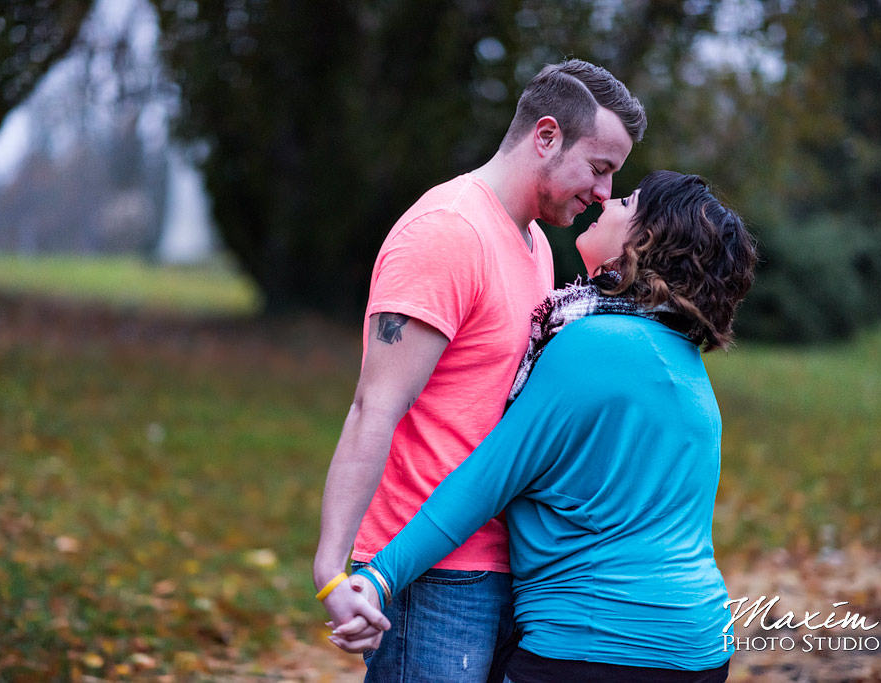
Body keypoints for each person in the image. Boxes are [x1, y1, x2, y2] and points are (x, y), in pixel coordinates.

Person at [330, 171, 758, 683]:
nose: (607, 198)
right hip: (699, 642)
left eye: (627, 200)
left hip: (596, 645)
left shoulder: (593, 344)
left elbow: (486, 481)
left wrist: (379, 577)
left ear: (643, 240)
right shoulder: (681, 363)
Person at [313, 59, 647, 681]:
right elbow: (373, 406)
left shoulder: (535, 245)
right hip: (429, 572)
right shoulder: (448, 232)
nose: (605, 193)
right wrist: (333, 569)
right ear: (546, 136)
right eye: (599, 168)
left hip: (509, 565)